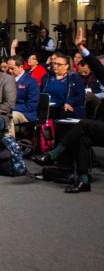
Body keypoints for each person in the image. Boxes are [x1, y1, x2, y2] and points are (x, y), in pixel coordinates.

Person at [33, 27, 104, 193]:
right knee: (83, 138)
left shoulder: (73, 78)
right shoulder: (49, 77)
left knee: (83, 124)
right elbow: (97, 68)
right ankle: (84, 180)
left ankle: (53, 154)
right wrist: (81, 47)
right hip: (101, 126)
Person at [40, 52, 86, 120]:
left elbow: (81, 95)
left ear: (67, 66)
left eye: (59, 64)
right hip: (47, 108)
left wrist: (69, 102)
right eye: (54, 63)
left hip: (64, 108)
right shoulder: (47, 77)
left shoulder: (74, 78)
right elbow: (40, 92)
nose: (55, 66)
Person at [5, 55, 40, 137]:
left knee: (8, 116)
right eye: (8, 68)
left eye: (12, 68)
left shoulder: (31, 82)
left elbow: (32, 105)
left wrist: (10, 108)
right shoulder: (6, 80)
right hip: (6, 109)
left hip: (25, 113)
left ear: (21, 67)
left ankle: (10, 143)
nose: (9, 71)